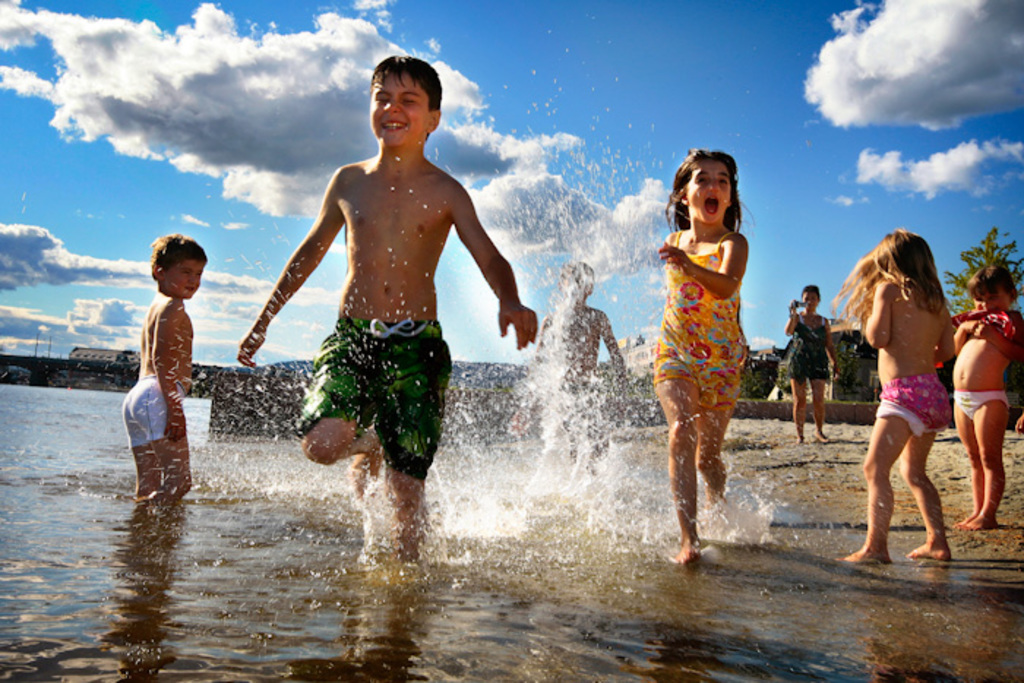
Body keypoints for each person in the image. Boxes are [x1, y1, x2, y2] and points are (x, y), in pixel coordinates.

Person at [237, 56, 537, 562]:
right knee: (321, 444)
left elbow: (490, 256)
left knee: (406, 490)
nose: (393, 109)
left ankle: (405, 588)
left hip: (417, 346)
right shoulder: (349, 181)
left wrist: (509, 300)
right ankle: (371, 441)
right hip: (352, 337)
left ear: (433, 118)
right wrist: (265, 319)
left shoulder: (446, 191)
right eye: (383, 98)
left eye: (408, 101)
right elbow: (309, 252)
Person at [833, 229, 955, 563]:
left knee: (875, 468)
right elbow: (947, 350)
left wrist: (876, 310)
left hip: (903, 395)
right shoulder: (938, 302)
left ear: (889, 263)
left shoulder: (888, 290)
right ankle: (938, 542)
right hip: (933, 394)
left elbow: (878, 338)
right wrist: (920, 351)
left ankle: (876, 547)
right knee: (914, 473)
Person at [654, 149, 749, 565]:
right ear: (684, 194)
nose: (713, 186)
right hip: (675, 351)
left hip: (721, 362)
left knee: (707, 458)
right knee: (681, 430)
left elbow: (726, 287)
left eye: (722, 181)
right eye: (703, 179)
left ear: (729, 197)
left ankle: (718, 505)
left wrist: (689, 266)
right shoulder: (674, 243)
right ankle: (689, 539)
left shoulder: (733, 243)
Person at [513, 261, 627, 462]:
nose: (577, 285)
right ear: (561, 286)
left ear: (590, 288)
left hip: (589, 388)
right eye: (572, 280)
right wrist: (526, 406)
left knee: (599, 442)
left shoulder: (597, 318)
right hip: (562, 391)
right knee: (572, 442)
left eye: (582, 281)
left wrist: (621, 393)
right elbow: (538, 364)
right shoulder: (552, 321)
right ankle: (571, 478)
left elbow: (616, 357)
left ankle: (593, 478)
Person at [122, 234, 206, 504]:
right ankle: (162, 530)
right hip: (158, 396)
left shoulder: (155, 307)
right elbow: (162, 359)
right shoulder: (173, 306)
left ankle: (141, 527)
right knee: (179, 482)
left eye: (198, 273)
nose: (194, 280)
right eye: (186, 272)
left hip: (138, 397)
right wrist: (175, 409)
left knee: (147, 485)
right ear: (160, 272)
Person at [951, 265, 1024, 530]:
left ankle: (989, 514)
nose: (985, 305)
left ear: (1011, 295)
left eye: (993, 297)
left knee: (990, 457)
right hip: (962, 398)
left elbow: (1020, 354)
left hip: (989, 398)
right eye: (979, 299)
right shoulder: (973, 322)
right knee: (973, 457)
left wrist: (994, 338)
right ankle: (977, 510)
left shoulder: (1012, 320)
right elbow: (954, 353)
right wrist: (962, 331)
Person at [784, 285, 838, 443]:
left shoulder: (823, 321)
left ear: (818, 300)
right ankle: (800, 435)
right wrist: (792, 314)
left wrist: (835, 363)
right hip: (799, 360)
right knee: (799, 400)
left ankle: (819, 431)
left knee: (819, 398)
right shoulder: (797, 318)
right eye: (806, 298)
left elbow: (829, 344)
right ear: (802, 300)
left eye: (813, 298)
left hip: (818, 360)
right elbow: (788, 332)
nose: (810, 301)